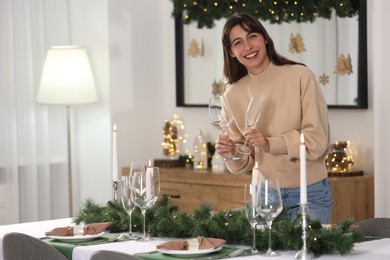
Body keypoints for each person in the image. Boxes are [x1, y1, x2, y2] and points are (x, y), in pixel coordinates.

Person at [215, 13, 333, 224]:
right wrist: (231, 153)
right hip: (264, 195)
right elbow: (244, 161)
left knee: (309, 257)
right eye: (238, 42)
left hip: (310, 192)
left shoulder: (300, 76)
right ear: (231, 52)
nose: (248, 46)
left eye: (252, 36)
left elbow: (316, 141)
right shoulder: (231, 96)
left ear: (265, 38)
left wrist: (270, 144)